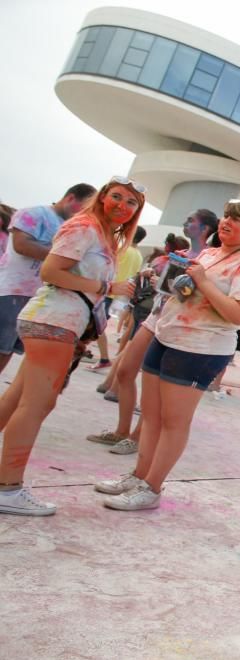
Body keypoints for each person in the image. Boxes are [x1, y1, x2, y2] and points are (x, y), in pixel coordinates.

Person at [94, 200, 240, 510]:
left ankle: (152, 487)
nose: (227, 222)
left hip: (199, 348)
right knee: (152, 415)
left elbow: (237, 314)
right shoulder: (211, 253)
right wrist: (182, 282)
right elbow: (187, 294)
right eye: (226, 216)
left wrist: (200, 281)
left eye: (237, 220)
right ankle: (138, 475)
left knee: (174, 421)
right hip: (166, 335)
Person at [0, 177, 142, 515]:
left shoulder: (101, 232)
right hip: (54, 321)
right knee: (36, 405)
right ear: (102, 197)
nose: (122, 205)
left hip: (56, 321)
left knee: (18, 398)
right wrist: (109, 286)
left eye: (131, 202)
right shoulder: (86, 226)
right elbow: (51, 270)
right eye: (116, 197)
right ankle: (8, 488)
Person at [87, 211, 217, 455]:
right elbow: (168, 290)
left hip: (174, 324)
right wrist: (154, 276)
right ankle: (122, 431)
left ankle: (136, 437)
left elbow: (191, 296)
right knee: (125, 372)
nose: (185, 223)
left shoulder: (209, 260)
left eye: (191, 221)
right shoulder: (181, 255)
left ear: (206, 228)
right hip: (154, 315)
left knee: (151, 385)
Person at [0, 183, 96, 376]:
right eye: (84, 208)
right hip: (12, 290)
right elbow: (21, 245)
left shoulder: (71, 227)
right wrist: (62, 259)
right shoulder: (34, 213)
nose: (85, 213)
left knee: (7, 349)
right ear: (70, 198)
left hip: (38, 298)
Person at [90, 225, 146, 370]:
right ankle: (99, 356)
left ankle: (103, 357)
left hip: (109, 289)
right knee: (96, 324)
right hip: (120, 294)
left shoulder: (123, 250)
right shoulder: (138, 255)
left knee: (95, 324)